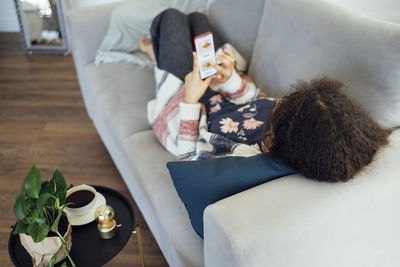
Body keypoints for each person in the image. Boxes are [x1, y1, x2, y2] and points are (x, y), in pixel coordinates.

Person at [143, 8, 389, 182]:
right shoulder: (294, 119)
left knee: (171, 18)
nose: (277, 101)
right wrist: (231, 80)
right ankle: (164, 55)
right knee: (197, 19)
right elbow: (256, 99)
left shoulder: (248, 156)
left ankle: (156, 55)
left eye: (281, 105)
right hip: (218, 87)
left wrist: (191, 100)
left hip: (188, 104)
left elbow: (189, 159)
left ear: (277, 137)